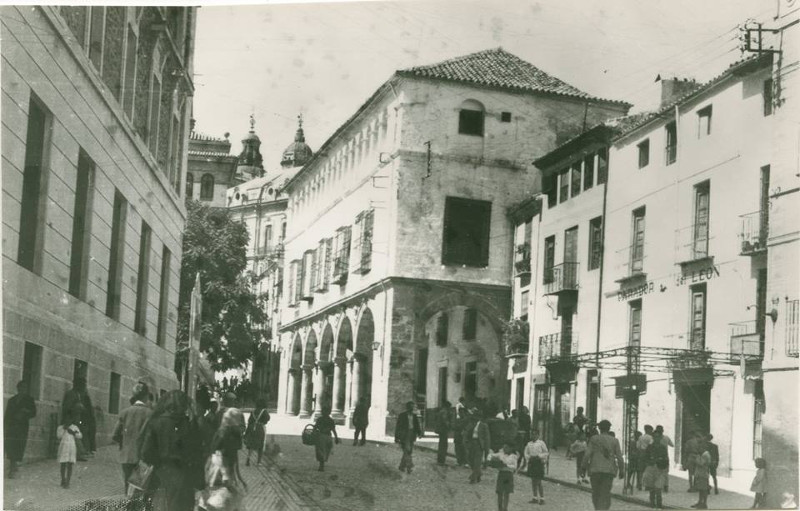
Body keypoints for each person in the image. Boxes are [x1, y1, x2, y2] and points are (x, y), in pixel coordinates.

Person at [139, 390, 204, 511]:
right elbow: (198, 455)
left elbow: (146, 453)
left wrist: (158, 462)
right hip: (184, 479)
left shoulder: (155, 422)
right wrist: (200, 484)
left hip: (159, 477)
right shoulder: (190, 425)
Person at [200, 408, 247, 511]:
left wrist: (239, 477)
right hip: (219, 467)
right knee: (220, 496)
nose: (243, 425)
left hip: (223, 467)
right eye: (241, 421)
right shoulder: (225, 432)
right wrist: (225, 473)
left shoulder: (231, 432)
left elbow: (234, 456)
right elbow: (218, 453)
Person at [112, 382, 153, 493]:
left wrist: (125, 444)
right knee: (140, 489)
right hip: (143, 458)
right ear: (146, 396)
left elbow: (115, 435)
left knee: (128, 487)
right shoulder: (150, 414)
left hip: (126, 457)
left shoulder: (124, 412)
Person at [583, 419, 625, 511]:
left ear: (599, 428)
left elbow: (587, 455)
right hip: (608, 471)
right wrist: (622, 470)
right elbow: (619, 457)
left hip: (595, 470)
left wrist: (583, 468)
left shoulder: (594, 439)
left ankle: (598, 509)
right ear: (609, 428)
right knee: (606, 493)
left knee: (596, 493)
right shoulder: (615, 440)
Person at [4, 380, 37, 479]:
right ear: (18, 389)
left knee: (19, 445)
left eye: (24, 388)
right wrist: (5, 426)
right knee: (10, 445)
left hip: (22, 426)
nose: (22, 389)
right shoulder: (12, 400)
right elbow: (7, 415)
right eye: (21, 388)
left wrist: (26, 411)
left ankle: (14, 466)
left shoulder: (29, 400)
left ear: (26, 389)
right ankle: (12, 466)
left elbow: (34, 413)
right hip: (12, 426)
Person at [61, 377, 95, 460]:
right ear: (77, 385)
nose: (84, 386)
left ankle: (79, 453)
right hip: (71, 419)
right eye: (82, 384)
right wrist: (78, 407)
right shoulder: (71, 394)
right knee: (74, 436)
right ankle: (77, 455)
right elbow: (67, 408)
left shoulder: (78, 393)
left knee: (79, 435)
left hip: (77, 418)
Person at [642, 429, 669, 509]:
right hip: (651, 468)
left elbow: (666, 458)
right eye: (655, 437)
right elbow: (645, 458)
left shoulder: (663, 447)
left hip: (660, 469)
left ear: (660, 438)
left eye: (659, 437)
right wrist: (650, 462)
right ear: (653, 438)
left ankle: (659, 504)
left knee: (658, 488)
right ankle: (652, 504)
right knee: (651, 488)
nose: (657, 438)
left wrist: (665, 466)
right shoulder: (649, 447)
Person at [488, 442, 518, 511]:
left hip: (508, 475)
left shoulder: (514, 456)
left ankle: (505, 508)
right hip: (501, 474)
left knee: (507, 493)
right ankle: (500, 508)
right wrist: (490, 460)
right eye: (504, 447)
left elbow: (515, 467)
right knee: (499, 492)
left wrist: (506, 465)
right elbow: (490, 455)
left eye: (506, 447)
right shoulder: (500, 454)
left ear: (511, 448)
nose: (504, 449)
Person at [394, 401, 422, 474]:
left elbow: (417, 425)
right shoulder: (402, 415)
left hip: (412, 434)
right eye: (410, 407)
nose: (412, 408)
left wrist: (419, 433)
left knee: (408, 451)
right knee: (408, 450)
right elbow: (398, 427)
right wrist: (396, 437)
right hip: (404, 435)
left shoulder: (414, 416)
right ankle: (409, 467)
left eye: (412, 407)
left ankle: (402, 466)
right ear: (407, 407)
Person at [57, 411, 82, 489]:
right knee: (63, 463)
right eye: (66, 419)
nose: (67, 420)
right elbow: (59, 436)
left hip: (71, 447)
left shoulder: (74, 427)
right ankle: (63, 479)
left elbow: (80, 436)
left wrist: (74, 433)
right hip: (63, 447)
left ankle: (68, 481)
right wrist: (64, 430)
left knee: (70, 464)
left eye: (69, 419)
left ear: (71, 419)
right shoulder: (60, 427)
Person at [523, 430, 548, 504]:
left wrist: (540, 456)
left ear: (538, 435)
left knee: (538, 481)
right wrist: (529, 457)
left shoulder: (541, 443)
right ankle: (535, 497)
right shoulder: (529, 444)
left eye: (535, 434)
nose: (533, 436)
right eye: (532, 434)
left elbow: (546, 452)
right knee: (533, 480)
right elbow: (525, 452)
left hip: (538, 462)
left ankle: (542, 498)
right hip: (532, 462)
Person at [466, 409, 491, 484]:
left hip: (479, 444)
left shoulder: (484, 426)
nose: (476, 418)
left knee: (477, 461)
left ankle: (473, 478)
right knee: (470, 460)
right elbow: (467, 433)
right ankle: (478, 473)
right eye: (475, 416)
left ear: (480, 417)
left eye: (477, 417)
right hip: (472, 443)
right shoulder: (471, 424)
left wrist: (487, 447)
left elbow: (487, 437)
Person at [244, 398, 270, 466]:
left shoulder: (253, 411)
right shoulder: (264, 411)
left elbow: (249, 421)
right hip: (260, 428)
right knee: (261, 445)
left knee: (251, 444)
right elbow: (267, 418)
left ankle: (248, 459)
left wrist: (247, 432)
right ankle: (258, 462)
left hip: (252, 428)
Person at [691, 442, 712, 509]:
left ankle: (704, 504)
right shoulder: (703, 454)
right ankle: (700, 502)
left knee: (704, 489)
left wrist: (696, 457)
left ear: (703, 447)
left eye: (699, 447)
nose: (698, 449)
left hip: (703, 475)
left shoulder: (705, 455)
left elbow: (701, 463)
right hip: (700, 474)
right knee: (701, 489)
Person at [654, 425, 674, 492]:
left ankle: (657, 486)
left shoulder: (655, 438)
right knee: (665, 473)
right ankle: (666, 486)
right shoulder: (666, 438)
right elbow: (672, 445)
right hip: (665, 457)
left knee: (657, 472)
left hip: (656, 457)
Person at [436, 401, 453, 466]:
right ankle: (441, 460)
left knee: (441, 444)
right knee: (444, 445)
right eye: (449, 407)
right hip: (443, 430)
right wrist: (449, 426)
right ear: (447, 406)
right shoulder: (444, 412)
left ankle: (440, 459)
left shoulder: (441, 411)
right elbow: (445, 420)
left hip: (441, 430)